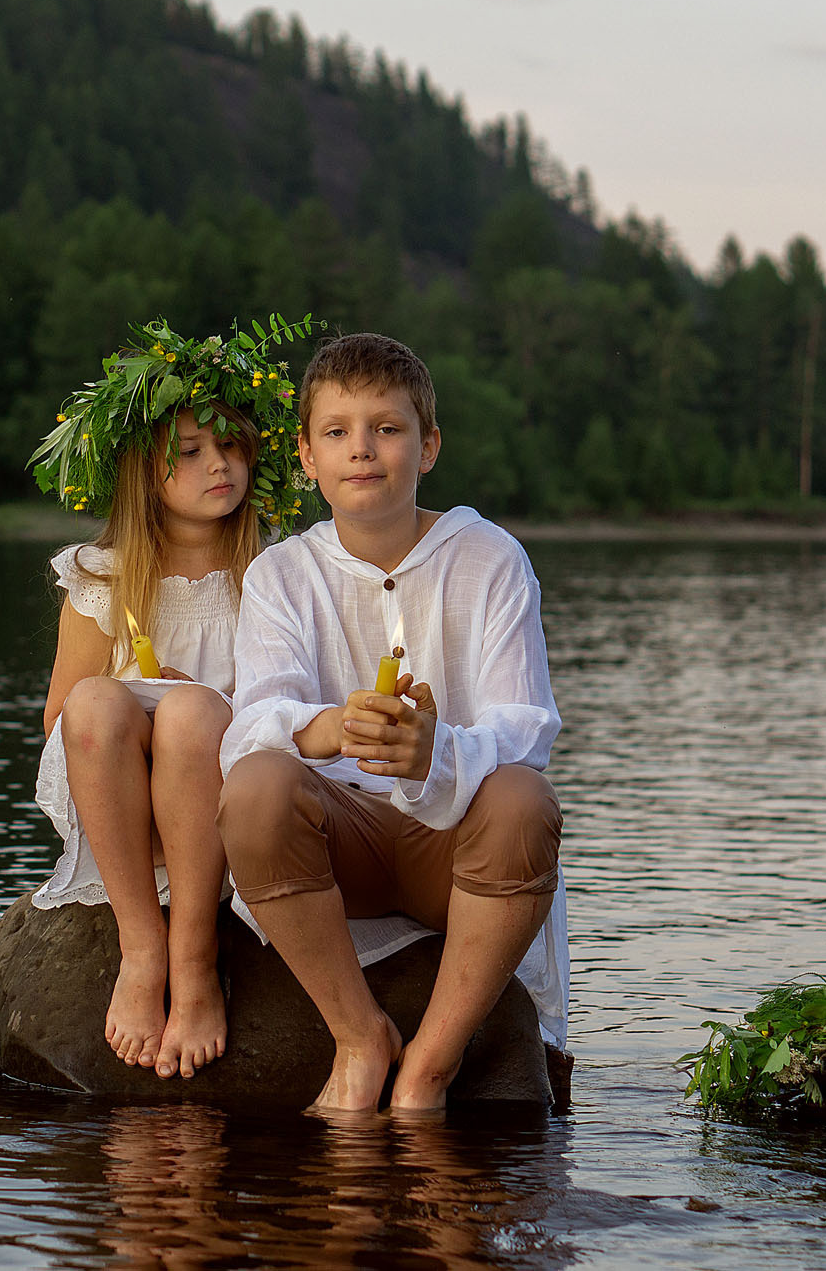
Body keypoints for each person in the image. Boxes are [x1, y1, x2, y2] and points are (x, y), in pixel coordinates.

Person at [217, 330, 567, 1115]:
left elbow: (528, 728)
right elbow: (248, 726)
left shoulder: (491, 558)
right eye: (337, 433)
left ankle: (430, 1068)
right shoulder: (283, 573)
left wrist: (435, 750)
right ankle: (359, 1035)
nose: (362, 450)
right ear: (306, 458)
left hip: (456, 847)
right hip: (345, 848)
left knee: (522, 801)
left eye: (388, 428)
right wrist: (336, 728)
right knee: (258, 785)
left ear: (429, 445)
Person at [27, 315, 316, 1079]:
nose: (216, 465)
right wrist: (135, 693)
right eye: (188, 453)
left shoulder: (277, 572)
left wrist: (206, 702)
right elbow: (59, 718)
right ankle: (140, 948)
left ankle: (193, 961)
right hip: (121, 799)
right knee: (97, 700)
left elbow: (295, 702)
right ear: (142, 472)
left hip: (221, 791)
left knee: (190, 711)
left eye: (229, 447)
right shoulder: (101, 574)